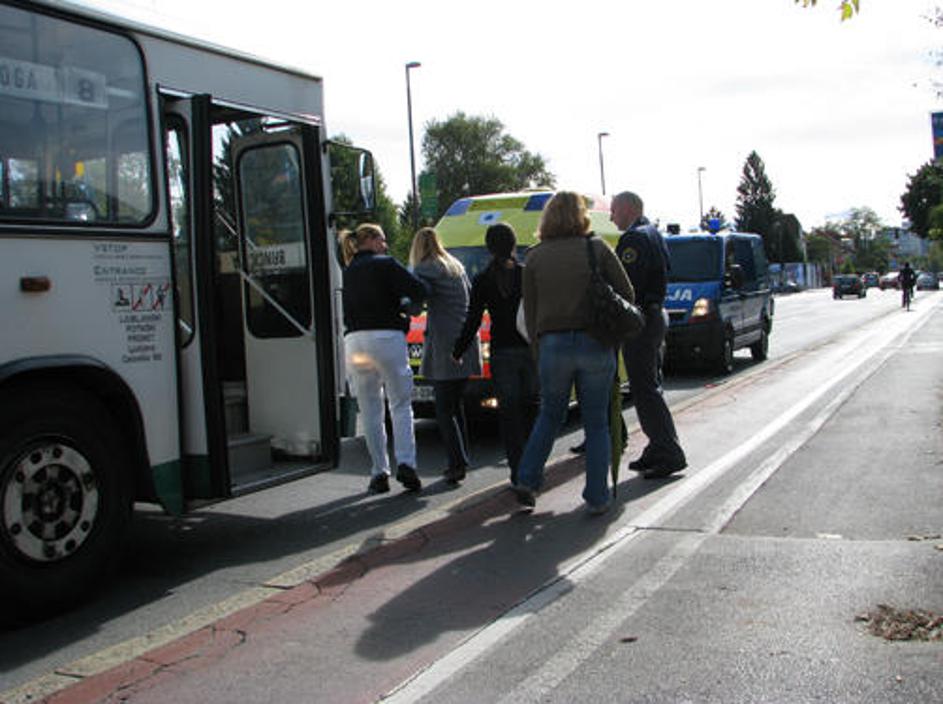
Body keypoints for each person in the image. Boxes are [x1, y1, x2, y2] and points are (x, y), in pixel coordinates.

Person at [513, 191, 634, 515]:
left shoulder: (534, 257)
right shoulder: (596, 248)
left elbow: (531, 313)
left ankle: (526, 479)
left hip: (552, 345)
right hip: (595, 342)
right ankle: (597, 497)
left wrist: (539, 351)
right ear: (582, 216)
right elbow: (627, 293)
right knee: (596, 423)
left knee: (550, 415)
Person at [340, 223, 427, 494]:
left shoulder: (348, 271)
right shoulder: (386, 264)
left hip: (355, 341)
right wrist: (402, 304)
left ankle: (379, 472)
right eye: (383, 239)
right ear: (372, 240)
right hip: (387, 338)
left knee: (370, 410)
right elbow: (419, 290)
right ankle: (406, 463)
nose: (386, 245)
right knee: (400, 404)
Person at [453, 222, 539, 484]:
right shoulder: (526, 274)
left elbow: (473, 319)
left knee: (510, 416)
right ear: (514, 244)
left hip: (501, 353)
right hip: (529, 350)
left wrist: (458, 349)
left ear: (489, 248)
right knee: (533, 410)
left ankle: (518, 473)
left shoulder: (483, 280)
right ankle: (535, 469)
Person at [610, 191, 687, 479]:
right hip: (654, 316)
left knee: (645, 390)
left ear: (628, 208)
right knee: (649, 386)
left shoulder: (634, 239)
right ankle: (658, 446)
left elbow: (628, 287)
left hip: (642, 320)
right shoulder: (653, 233)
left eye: (615, 210)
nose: (611, 216)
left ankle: (668, 451)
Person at [410, 227, 482, 484]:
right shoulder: (455, 266)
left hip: (446, 345)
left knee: (443, 409)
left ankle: (456, 463)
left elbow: (415, 301)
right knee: (455, 405)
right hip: (466, 340)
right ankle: (462, 458)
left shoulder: (425, 268)